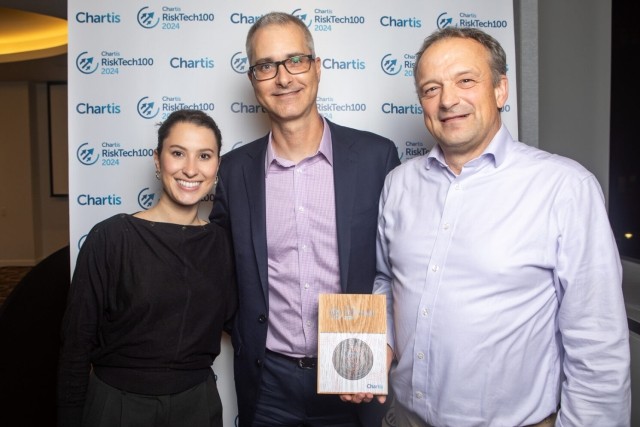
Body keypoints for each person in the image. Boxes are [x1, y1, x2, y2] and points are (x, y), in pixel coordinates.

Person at [372, 26, 632, 427]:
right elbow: (388, 282)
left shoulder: (565, 188)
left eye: (466, 81)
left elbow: (597, 345)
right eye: (431, 88)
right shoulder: (399, 184)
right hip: (404, 418)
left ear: (500, 89)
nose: (448, 101)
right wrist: (380, 344)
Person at [210, 11, 400, 427]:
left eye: (295, 60)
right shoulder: (233, 171)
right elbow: (216, 266)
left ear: (317, 68)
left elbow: (399, 265)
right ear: (253, 79)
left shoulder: (375, 158)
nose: (283, 78)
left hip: (354, 373)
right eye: (266, 66)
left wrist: (384, 343)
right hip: (268, 382)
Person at [57, 109, 237, 427]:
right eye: (178, 153)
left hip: (197, 405)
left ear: (217, 165)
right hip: (118, 405)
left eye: (204, 155)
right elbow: (76, 343)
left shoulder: (222, 243)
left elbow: (248, 323)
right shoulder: (112, 237)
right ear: (157, 160)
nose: (191, 169)